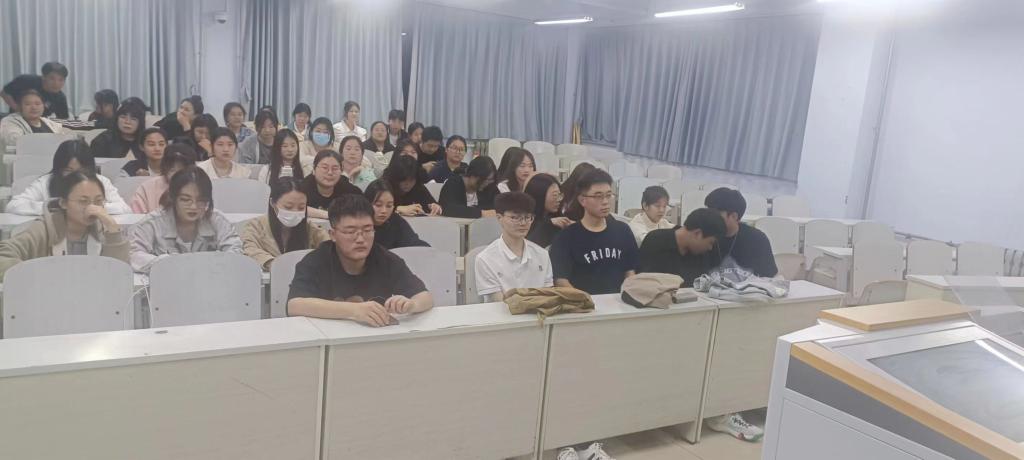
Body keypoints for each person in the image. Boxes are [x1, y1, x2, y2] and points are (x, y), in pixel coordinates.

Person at [286, 194, 434, 324]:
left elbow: (425, 296)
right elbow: (294, 305)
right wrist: (354, 310)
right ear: (333, 235)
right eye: (351, 231)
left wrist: (411, 305)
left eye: (367, 230)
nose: (361, 239)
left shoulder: (385, 259)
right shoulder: (315, 261)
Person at [0, 171, 129, 280]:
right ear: (63, 203)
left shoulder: (104, 230)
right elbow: (4, 255)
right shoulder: (45, 229)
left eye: (99, 201)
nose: (92, 207)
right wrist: (35, 276)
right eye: (83, 201)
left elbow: (119, 274)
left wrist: (112, 227)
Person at [130, 166, 242, 273]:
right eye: (185, 199)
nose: (193, 206)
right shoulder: (153, 223)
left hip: (210, 279)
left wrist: (211, 262)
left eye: (201, 200)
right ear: (173, 198)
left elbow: (236, 251)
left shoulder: (217, 220)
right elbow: (134, 255)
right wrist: (169, 262)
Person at [549, 170, 638, 295]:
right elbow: (560, 280)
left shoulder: (623, 230)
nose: (605, 201)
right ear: (582, 200)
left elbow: (630, 271)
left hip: (619, 301)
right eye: (598, 196)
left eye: (608, 195)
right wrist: (585, 300)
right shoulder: (566, 237)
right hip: (582, 303)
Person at [6, 139, 130, 216]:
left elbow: (124, 208)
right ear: (59, 168)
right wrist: (53, 206)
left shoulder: (101, 181)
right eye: (68, 171)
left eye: (81, 171)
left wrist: (94, 207)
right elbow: (14, 205)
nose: (75, 177)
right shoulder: (45, 182)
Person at [474, 192, 553, 302]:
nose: (523, 223)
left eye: (528, 217)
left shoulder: (542, 254)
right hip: (502, 312)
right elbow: (498, 302)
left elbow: (548, 296)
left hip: (538, 311)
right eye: (515, 217)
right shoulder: (485, 259)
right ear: (499, 218)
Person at [242, 178, 329, 270]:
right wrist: (276, 264)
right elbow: (250, 249)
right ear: (273, 203)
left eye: (301, 207)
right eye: (288, 207)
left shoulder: (312, 229)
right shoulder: (255, 226)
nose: (295, 212)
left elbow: (329, 249)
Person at [704, 187, 778, 277]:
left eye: (714, 214)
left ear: (734, 216)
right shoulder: (702, 236)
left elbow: (768, 277)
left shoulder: (757, 240)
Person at [129, 144, 197, 214]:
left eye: (182, 170)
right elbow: (136, 217)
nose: (176, 175)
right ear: (165, 167)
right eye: (172, 170)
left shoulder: (199, 185)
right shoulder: (146, 188)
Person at [364, 180, 429, 249]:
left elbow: (414, 243)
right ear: (367, 203)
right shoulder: (360, 225)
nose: (384, 211)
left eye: (389, 206)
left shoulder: (395, 220)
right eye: (378, 205)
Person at [301, 150, 362, 220]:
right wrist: (328, 214)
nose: (330, 172)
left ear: (341, 171)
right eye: (325, 168)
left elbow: (362, 205)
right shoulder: (303, 187)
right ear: (314, 170)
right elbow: (295, 208)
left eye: (335, 168)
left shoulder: (347, 187)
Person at [1, 62, 70, 118]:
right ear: (43, 77)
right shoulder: (26, 80)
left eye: (61, 80)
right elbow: (4, 92)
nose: (56, 83)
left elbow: (63, 119)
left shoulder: (60, 97)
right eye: (52, 78)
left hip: (38, 122)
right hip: (16, 118)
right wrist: (17, 108)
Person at [0, 90, 65, 147]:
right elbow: (16, 142)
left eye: (37, 104)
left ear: (43, 106)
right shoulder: (9, 122)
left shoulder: (50, 123)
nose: (34, 107)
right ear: (20, 107)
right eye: (28, 104)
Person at [524, 173, 572, 248]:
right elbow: (529, 246)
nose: (559, 200)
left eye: (559, 195)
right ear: (539, 195)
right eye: (554, 195)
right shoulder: (523, 220)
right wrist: (548, 223)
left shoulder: (556, 219)